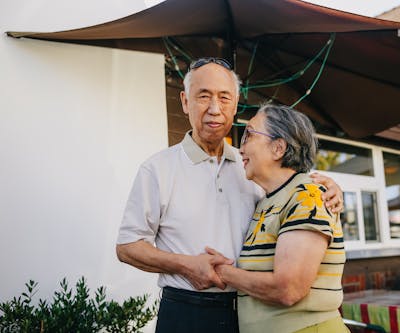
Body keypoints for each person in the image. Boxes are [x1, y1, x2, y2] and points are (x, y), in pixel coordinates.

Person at [115, 57, 344, 333]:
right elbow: (127, 246)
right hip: (187, 313)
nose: (215, 109)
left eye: (225, 98)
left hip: (252, 310)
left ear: (235, 106)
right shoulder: (157, 169)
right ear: (185, 101)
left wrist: (328, 187)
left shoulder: (251, 166)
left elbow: (291, 198)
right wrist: (187, 265)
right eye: (203, 96)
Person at [209, 104, 349, 333]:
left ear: (278, 148)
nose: (240, 148)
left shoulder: (307, 197)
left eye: (249, 135)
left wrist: (222, 272)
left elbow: (288, 289)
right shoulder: (269, 200)